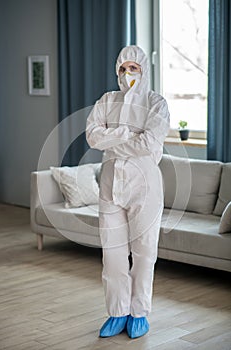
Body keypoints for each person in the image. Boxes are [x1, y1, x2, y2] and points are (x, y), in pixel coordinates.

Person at [86, 45, 170, 339]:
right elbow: (92, 137)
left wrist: (112, 138)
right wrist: (126, 134)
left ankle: (138, 313)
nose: (127, 74)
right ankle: (117, 311)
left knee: (144, 252)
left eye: (133, 68)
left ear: (144, 70)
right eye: (123, 68)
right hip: (110, 185)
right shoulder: (107, 100)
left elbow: (149, 143)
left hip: (144, 186)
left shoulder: (156, 104)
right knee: (113, 255)